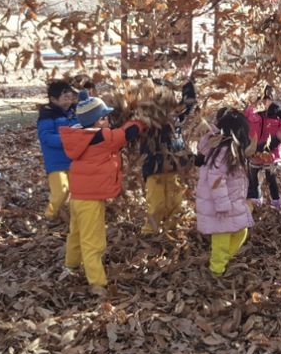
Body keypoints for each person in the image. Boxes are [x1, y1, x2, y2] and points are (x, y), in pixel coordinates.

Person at [59, 91, 146, 294]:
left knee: (76, 233)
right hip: (90, 200)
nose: (108, 121)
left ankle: (71, 265)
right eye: (105, 117)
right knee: (93, 241)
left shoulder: (79, 135)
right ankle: (97, 282)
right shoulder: (103, 138)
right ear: (98, 121)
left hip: (78, 196)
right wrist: (141, 121)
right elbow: (126, 133)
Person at [195, 108, 254, 276]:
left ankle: (223, 260)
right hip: (220, 207)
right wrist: (222, 205)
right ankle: (216, 271)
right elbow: (216, 179)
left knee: (241, 232)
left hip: (233, 203)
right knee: (221, 240)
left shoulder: (231, 151)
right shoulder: (223, 153)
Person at [140, 78, 196, 234]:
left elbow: (189, 104)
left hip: (174, 165)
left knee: (175, 201)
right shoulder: (146, 118)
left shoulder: (176, 116)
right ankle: (150, 231)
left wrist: (187, 82)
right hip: (154, 167)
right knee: (156, 202)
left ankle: (170, 229)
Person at [244, 85, 281, 210]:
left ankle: (276, 201)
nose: (265, 102)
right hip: (255, 151)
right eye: (263, 99)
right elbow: (243, 123)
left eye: (268, 99)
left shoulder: (278, 114)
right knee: (253, 177)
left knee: (270, 177)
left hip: (272, 153)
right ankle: (256, 199)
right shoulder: (252, 113)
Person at [37, 80, 77, 223]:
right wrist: (68, 138)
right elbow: (46, 137)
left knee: (75, 190)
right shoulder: (47, 115)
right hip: (56, 162)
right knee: (61, 190)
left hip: (73, 159)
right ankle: (50, 215)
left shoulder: (74, 112)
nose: (68, 101)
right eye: (65, 98)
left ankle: (73, 216)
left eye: (70, 97)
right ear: (53, 99)